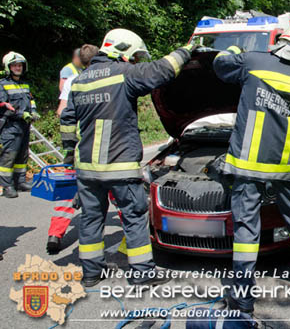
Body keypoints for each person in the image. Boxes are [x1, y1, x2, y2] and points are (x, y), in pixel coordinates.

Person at [60, 28, 192, 287]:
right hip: (119, 166)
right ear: (122, 52)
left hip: (87, 169)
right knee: (133, 217)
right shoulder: (124, 74)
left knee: (91, 218)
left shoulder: (80, 80)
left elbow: (67, 121)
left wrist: (68, 152)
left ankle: (90, 274)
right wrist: (188, 50)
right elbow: (162, 70)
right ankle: (142, 274)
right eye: (133, 57)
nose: (134, 63)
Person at [213, 24, 290, 314]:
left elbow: (219, 66)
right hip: (285, 164)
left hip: (248, 165)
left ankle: (242, 297)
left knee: (246, 229)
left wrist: (235, 49)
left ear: (282, 41)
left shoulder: (254, 61)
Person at [47, 44, 98, 254]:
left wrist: (69, 146)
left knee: (68, 191)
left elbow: (61, 111)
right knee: (116, 191)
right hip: (99, 145)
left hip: (75, 146)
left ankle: (55, 234)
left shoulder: (71, 81)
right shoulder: (104, 79)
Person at [0, 52, 40, 198]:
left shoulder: (24, 84)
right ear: (8, 67)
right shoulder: (2, 85)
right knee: (8, 157)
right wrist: (20, 114)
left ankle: (20, 182)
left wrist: (34, 111)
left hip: (24, 126)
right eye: (15, 65)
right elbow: (4, 107)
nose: (18, 68)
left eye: (20, 65)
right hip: (10, 127)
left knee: (22, 156)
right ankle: (7, 185)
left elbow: (31, 100)